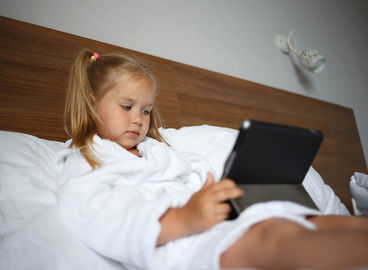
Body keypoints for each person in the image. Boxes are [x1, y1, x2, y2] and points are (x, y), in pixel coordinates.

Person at [58, 48, 368, 270]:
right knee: (274, 236)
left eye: (146, 110)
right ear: (91, 103)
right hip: (180, 244)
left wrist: (220, 193)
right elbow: (99, 219)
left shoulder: (157, 150)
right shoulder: (87, 158)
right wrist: (184, 219)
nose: (139, 119)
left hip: (216, 221)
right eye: (127, 106)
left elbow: (196, 173)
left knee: (306, 220)